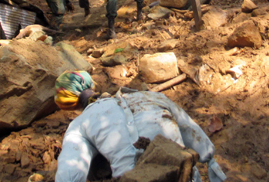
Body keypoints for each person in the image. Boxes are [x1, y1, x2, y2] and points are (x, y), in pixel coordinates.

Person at [54, 71, 226, 182]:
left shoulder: (78, 125)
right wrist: (211, 163)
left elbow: (69, 175)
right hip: (184, 176)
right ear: (92, 86)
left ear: (70, 105)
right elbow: (193, 133)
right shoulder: (152, 96)